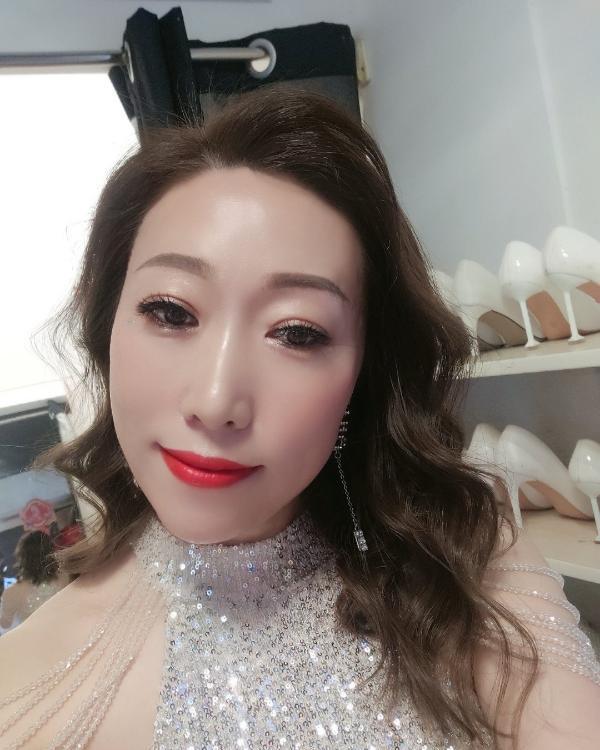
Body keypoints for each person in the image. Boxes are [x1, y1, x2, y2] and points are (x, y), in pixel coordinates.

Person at [0, 84, 598, 749]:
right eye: (170, 312)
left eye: (297, 333)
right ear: (108, 327)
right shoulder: (28, 690)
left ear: (363, 373)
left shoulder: (463, 562)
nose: (216, 402)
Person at [0, 530, 69, 634]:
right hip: (68, 632)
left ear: (21, 557)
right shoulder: (67, 576)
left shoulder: (11, 592)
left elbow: (5, 624)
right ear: (51, 551)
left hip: (37, 640)